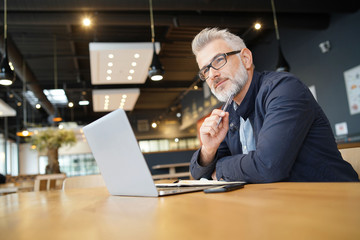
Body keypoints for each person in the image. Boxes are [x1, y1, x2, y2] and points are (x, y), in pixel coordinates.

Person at [190, 28, 359, 183]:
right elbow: (196, 172)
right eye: (205, 70)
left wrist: (218, 169)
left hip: (334, 201)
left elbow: (268, 165)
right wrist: (208, 150)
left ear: (246, 58)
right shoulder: (228, 111)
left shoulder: (284, 89)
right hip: (281, 206)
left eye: (219, 60)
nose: (212, 75)